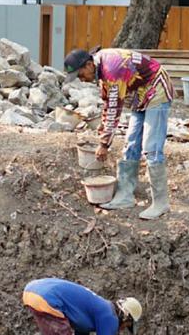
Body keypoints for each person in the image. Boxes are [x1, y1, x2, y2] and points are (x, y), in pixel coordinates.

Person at [65, 47, 174, 219]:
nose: (82, 79)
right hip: (141, 93)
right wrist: (103, 131)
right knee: (131, 143)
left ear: (88, 65)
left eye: (80, 74)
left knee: (151, 146)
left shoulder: (111, 69)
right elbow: (108, 102)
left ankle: (161, 203)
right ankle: (125, 195)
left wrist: (104, 144)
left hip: (157, 88)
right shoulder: (101, 68)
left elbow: (114, 108)